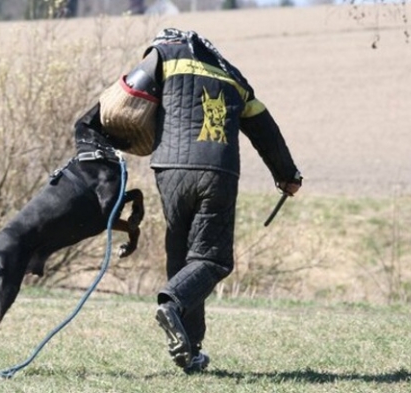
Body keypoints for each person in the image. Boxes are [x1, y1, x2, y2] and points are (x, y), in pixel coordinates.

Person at [123, 28, 302, 373]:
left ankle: (191, 350)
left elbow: (128, 92)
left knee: (184, 259)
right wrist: (287, 175)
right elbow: (266, 129)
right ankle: (173, 306)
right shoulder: (232, 75)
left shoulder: (162, 56)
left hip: (170, 169)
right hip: (217, 171)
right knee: (213, 259)